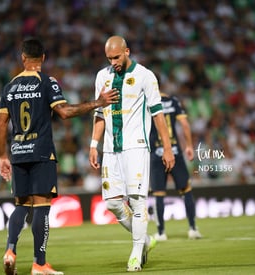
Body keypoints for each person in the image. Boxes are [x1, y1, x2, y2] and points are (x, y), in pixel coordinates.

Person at [0, 37, 118, 275]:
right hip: (41, 152)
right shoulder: (46, 82)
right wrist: (98, 102)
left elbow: (1, 125)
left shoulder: (9, 87)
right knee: (41, 207)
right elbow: (64, 112)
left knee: (21, 205)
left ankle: (10, 250)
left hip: (18, 153)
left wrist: (2, 156)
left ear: (23, 58)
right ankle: (39, 264)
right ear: (42, 58)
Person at [89, 35, 175, 272]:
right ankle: (145, 240)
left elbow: (158, 114)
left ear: (127, 51)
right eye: (109, 58)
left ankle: (136, 253)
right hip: (110, 149)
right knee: (113, 204)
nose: (113, 62)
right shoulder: (101, 77)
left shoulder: (145, 76)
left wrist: (167, 148)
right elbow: (98, 114)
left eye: (116, 57)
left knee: (137, 201)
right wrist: (93, 145)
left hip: (136, 146)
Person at [149, 92, 202, 241]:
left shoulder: (147, 101)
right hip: (175, 151)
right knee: (186, 190)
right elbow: (185, 124)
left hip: (156, 153)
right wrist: (189, 146)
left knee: (159, 193)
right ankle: (193, 229)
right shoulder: (172, 101)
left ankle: (161, 233)